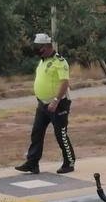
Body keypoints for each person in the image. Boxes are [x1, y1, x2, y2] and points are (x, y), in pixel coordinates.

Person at [15, 34, 76, 175]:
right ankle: (32, 163)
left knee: (60, 134)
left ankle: (69, 162)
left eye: (39, 47)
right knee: (36, 133)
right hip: (42, 104)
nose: (37, 50)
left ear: (48, 47)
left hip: (58, 104)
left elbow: (64, 82)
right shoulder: (42, 61)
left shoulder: (60, 61)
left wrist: (56, 100)